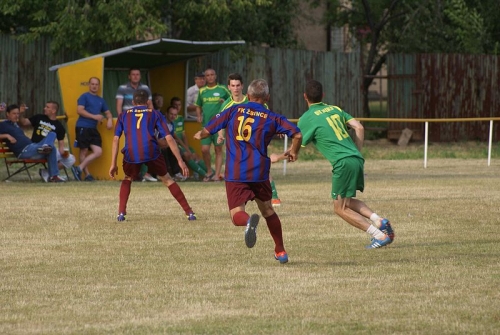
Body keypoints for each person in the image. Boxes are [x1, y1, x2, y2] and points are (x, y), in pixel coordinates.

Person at [194, 79, 302, 264]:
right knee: (268, 210)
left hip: (236, 171)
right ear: (267, 97)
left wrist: (200, 134)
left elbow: (207, 130)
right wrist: (293, 151)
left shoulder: (233, 110)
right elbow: (297, 134)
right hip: (259, 171)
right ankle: (281, 251)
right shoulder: (272, 117)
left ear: (248, 96)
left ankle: (247, 222)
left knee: (236, 214)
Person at [298, 79, 395, 249]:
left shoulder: (307, 118)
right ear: (323, 95)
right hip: (356, 159)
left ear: (305, 97)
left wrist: (282, 155)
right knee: (348, 201)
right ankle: (379, 220)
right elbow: (359, 128)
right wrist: (357, 152)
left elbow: (298, 143)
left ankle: (379, 235)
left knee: (339, 208)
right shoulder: (335, 109)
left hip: (342, 162)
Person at [109, 89, 196, 222]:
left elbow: (115, 139)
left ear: (133, 102)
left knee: (127, 178)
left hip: (131, 153)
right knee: (167, 179)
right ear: (148, 102)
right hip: (151, 151)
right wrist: (180, 160)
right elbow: (169, 138)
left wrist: (113, 164)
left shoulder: (123, 115)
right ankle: (189, 213)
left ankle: (121, 213)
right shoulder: (155, 114)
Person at [219, 73, 281, 206]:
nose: (235, 88)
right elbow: (220, 121)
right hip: (237, 145)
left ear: (242, 86)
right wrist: (220, 134)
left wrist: (277, 128)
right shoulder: (226, 105)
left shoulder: (252, 101)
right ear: (229, 87)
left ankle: (274, 195)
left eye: (238, 85)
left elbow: (267, 116)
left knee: (263, 167)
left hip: (256, 142)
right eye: (233, 86)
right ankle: (241, 198)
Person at [0, 104, 65, 182]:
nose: (16, 116)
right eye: (14, 113)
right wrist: (7, 136)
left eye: (18, 114)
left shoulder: (15, 125)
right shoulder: (3, 125)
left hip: (32, 147)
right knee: (51, 148)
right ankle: (46, 148)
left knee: (52, 136)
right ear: (7, 114)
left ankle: (53, 176)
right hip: (24, 151)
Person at [18, 101, 76, 182]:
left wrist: (63, 153)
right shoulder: (39, 117)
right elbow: (23, 122)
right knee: (52, 135)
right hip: (36, 149)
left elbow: (61, 146)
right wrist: (20, 113)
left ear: (53, 110)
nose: (44, 108)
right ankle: (46, 147)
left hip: (49, 152)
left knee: (71, 159)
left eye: (47, 107)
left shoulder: (59, 127)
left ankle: (46, 172)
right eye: (45, 106)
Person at [116, 67, 156, 182]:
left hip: (143, 122)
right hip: (129, 122)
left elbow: (150, 105)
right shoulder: (122, 88)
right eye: (133, 74)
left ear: (140, 76)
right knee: (129, 148)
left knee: (146, 147)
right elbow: (119, 105)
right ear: (129, 76)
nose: (135, 76)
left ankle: (145, 173)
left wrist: (152, 119)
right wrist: (121, 121)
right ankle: (130, 174)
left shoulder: (145, 88)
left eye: (137, 74)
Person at [71, 77, 113, 181]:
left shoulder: (100, 100)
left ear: (99, 86)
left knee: (98, 152)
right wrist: (95, 117)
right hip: (83, 126)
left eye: (96, 84)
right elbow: (79, 110)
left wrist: (110, 120)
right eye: (92, 84)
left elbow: (108, 113)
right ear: (89, 85)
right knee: (84, 150)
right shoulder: (84, 96)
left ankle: (78, 168)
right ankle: (87, 175)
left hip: (93, 129)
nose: (94, 86)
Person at [195, 68, 230, 182]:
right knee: (204, 149)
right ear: (205, 78)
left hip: (219, 125)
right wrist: (199, 115)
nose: (210, 77)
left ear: (215, 76)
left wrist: (224, 102)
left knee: (218, 148)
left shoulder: (223, 89)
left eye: (212, 75)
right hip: (206, 125)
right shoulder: (202, 91)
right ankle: (209, 171)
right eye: (207, 75)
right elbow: (198, 105)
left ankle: (217, 174)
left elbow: (231, 101)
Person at [170, 96, 207, 180]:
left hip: (182, 144)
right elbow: (176, 138)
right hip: (176, 144)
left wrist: (187, 147)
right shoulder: (171, 118)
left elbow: (183, 135)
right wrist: (187, 149)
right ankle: (206, 175)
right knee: (187, 155)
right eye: (175, 105)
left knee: (196, 155)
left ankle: (212, 173)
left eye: (179, 105)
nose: (177, 107)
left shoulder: (180, 118)